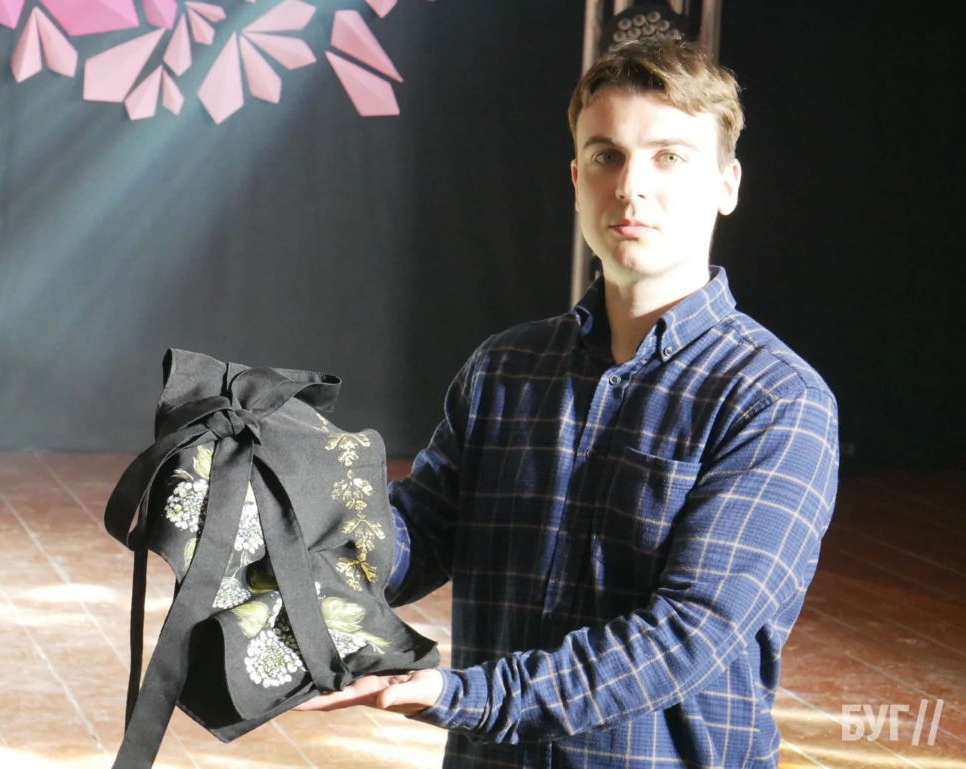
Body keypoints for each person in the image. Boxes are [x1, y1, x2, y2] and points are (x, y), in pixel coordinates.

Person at [295, 38, 840, 768]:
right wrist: (284, 518)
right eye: (607, 155)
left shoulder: (774, 399)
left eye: (670, 157)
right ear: (578, 178)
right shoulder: (504, 368)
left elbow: (691, 632)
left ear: (726, 184)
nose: (631, 187)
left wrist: (463, 694)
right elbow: (416, 537)